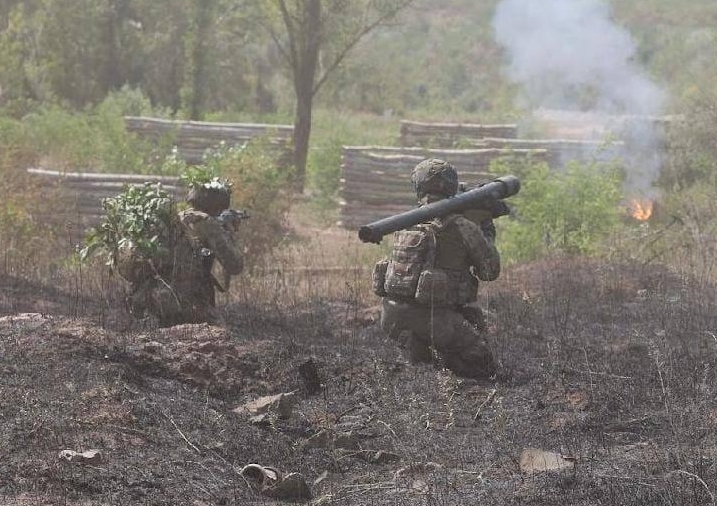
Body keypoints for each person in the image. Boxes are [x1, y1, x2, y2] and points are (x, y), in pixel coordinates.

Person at [373, 158, 503, 379]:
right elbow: (490, 271)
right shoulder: (462, 226)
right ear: (451, 185)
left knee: (470, 317)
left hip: (392, 318)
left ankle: (420, 353)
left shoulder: (406, 222)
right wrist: (486, 228)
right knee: (484, 368)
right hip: (435, 320)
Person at [129, 181, 244, 327]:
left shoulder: (177, 219)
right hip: (189, 301)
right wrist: (230, 232)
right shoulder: (207, 223)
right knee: (220, 334)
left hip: (159, 298)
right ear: (218, 204)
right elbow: (235, 265)